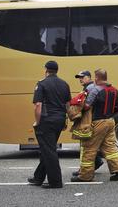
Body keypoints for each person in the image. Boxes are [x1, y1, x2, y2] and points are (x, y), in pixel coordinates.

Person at [71, 68, 118, 182]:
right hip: (110, 121)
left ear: (96, 78)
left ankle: (85, 176)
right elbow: (117, 106)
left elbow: (87, 106)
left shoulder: (96, 90)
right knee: (110, 147)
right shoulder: (114, 90)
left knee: (89, 148)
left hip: (98, 122)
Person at [28, 61, 71, 189]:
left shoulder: (42, 84)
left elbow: (38, 105)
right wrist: (65, 120)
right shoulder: (64, 84)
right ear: (57, 70)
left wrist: (38, 121)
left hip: (46, 121)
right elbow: (68, 105)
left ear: (46, 70)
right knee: (47, 149)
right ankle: (38, 178)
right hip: (59, 120)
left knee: (49, 151)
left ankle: (55, 182)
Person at [71, 70, 104, 177]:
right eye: (79, 77)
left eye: (82, 77)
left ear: (89, 77)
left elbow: (86, 105)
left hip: (88, 120)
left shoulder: (89, 88)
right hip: (93, 119)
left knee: (85, 145)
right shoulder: (90, 87)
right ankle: (96, 161)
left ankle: (85, 169)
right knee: (89, 144)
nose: (80, 79)